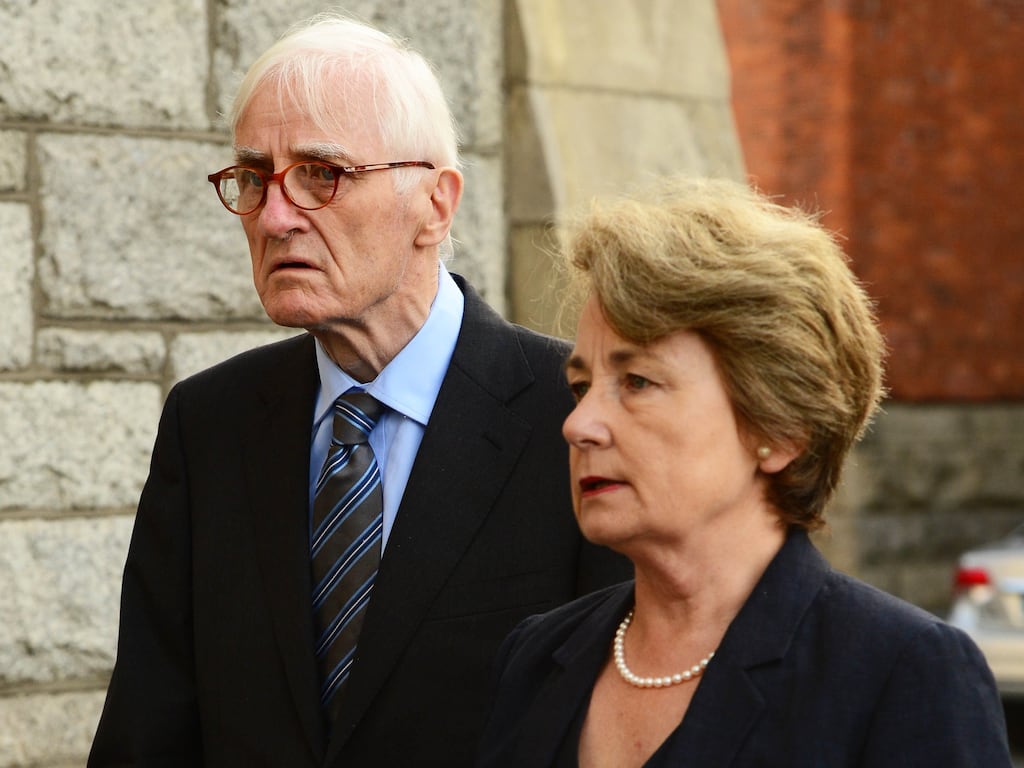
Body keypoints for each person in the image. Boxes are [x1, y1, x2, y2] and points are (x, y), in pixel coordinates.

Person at [88, 12, 629, 768]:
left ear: (436, 204)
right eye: (253, 178)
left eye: (321, 174)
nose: (275, 217)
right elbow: (148, 732)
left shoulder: (577, 416)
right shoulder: (207, 425)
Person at [476, 176, 1012, 767]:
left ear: (778, 429)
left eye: (637, 382)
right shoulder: (537, 658)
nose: (579, 425)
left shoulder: (901, 673)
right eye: (581, 386)